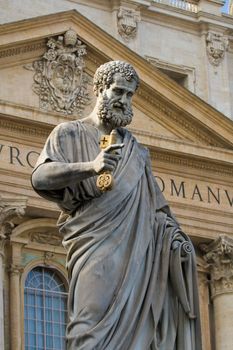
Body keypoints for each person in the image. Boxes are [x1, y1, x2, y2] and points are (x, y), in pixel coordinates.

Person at [31, 61, 202, 350]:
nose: (123, 100)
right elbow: (40, 177)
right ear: (99, 89)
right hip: (95, 248)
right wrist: (91, 166)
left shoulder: (137, 153)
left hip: (136, 258)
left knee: (137, 334)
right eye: (118, 91)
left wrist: (176, 243)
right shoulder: (68, 133)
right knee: (88, 328)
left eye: (129, 95)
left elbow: (157, 212)